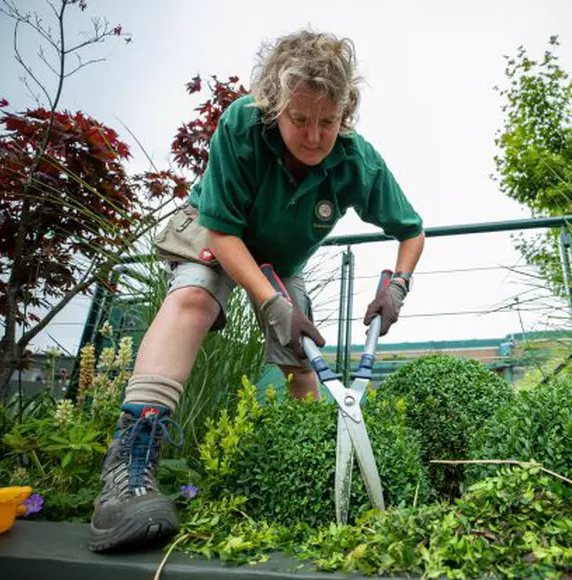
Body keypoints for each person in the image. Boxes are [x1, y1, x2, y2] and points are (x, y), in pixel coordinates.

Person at [87, 30, 425, 552]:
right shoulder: (242, 124)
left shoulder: (357, 160)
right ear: (275, 107)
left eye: (328, 122)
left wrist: (396, 287)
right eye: (300, 120)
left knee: (302, 360)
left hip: (281, 258)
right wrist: (270, 302)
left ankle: (307, 463)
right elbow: (223, 233)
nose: (315, 136)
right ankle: (128, 470)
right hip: (217, 227)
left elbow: (411, 231)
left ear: (345, 115)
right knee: (195, 297)